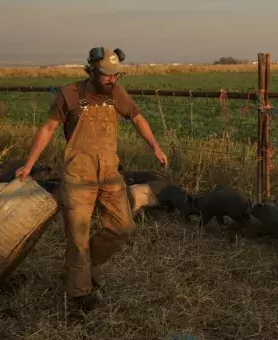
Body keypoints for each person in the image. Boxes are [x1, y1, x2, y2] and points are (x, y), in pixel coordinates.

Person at [15, 47, 168, 311]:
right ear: (92, 71)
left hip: (110, 172)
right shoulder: (70, 94)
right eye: (107, 75)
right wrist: (28, 165)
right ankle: (79, 293)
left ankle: (86, 267)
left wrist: (154, 146)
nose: (112, 80)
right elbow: (49, 127)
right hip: (78, 174)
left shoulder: (117, 94)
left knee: (123, 227)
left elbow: (137, 117)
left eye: (116, 75)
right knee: (78, 236)